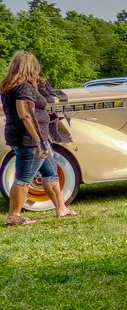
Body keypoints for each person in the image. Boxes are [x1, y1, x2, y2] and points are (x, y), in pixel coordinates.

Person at [1, 51, 77, 225]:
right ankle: (13, 216)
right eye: (35, 67)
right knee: (24, 177)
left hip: (34, 137)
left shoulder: (12, 85)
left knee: (50, 171)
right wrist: (39, 141)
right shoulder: (23, 87)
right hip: (30, 140)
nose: (37, 70)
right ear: (29, 67)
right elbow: (25, 115)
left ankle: (61, 208)